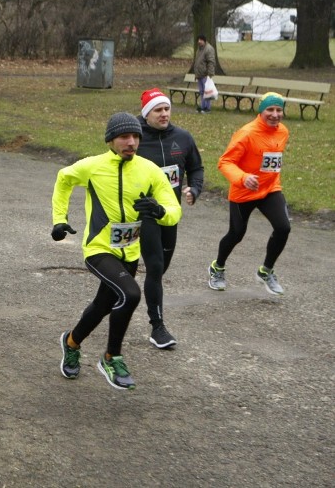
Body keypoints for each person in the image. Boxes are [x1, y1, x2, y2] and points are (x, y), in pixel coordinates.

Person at [53, 112, 181, 390]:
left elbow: (174, 209)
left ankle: (71, 342)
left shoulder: (149, 170)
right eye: (124, 137)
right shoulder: (93, 166)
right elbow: (63, 179)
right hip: (99, 248)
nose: (131, 142)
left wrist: (160, 212)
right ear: (111, 140)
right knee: (132, 294)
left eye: (136, 136)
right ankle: (111, 357)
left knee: (103, 305)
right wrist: (59, 219)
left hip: (129, 252)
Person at [136, 88, 204, 349]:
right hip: (143, 214)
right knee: (154, 267)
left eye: (166, 108)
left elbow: (196, 168)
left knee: (160, 268)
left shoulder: (183, 138)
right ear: (146, 113)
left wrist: (194, 189)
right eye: (158, 110)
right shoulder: (135, 138)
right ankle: (158, 328)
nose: (164, 114)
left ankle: (142, 297)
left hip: (170, 213)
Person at [207, 93, 291, 296]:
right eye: (270, 110)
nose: (274, 114)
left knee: (283, 227)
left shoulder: (283, 132)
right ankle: (217, 268)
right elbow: (225, 162)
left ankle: (266, 271)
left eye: (278, 110)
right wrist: (243, 178)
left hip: (270, 189)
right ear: (261, 111)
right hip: (244, 191)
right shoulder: (246, 133)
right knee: (236, 234)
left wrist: (267, 179)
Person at [193, 34, 216, 114]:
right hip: (199, 75)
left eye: (201, 40)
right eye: (198, 40)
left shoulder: (208, 49)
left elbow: (211, 62)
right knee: (202, 92)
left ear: (204, 40)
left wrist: (210, 74)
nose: (199, 41)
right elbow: (198, 61)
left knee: (207, 92)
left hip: (205, 75)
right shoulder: (199, 49)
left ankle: (207, 108)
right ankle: (203, 107)